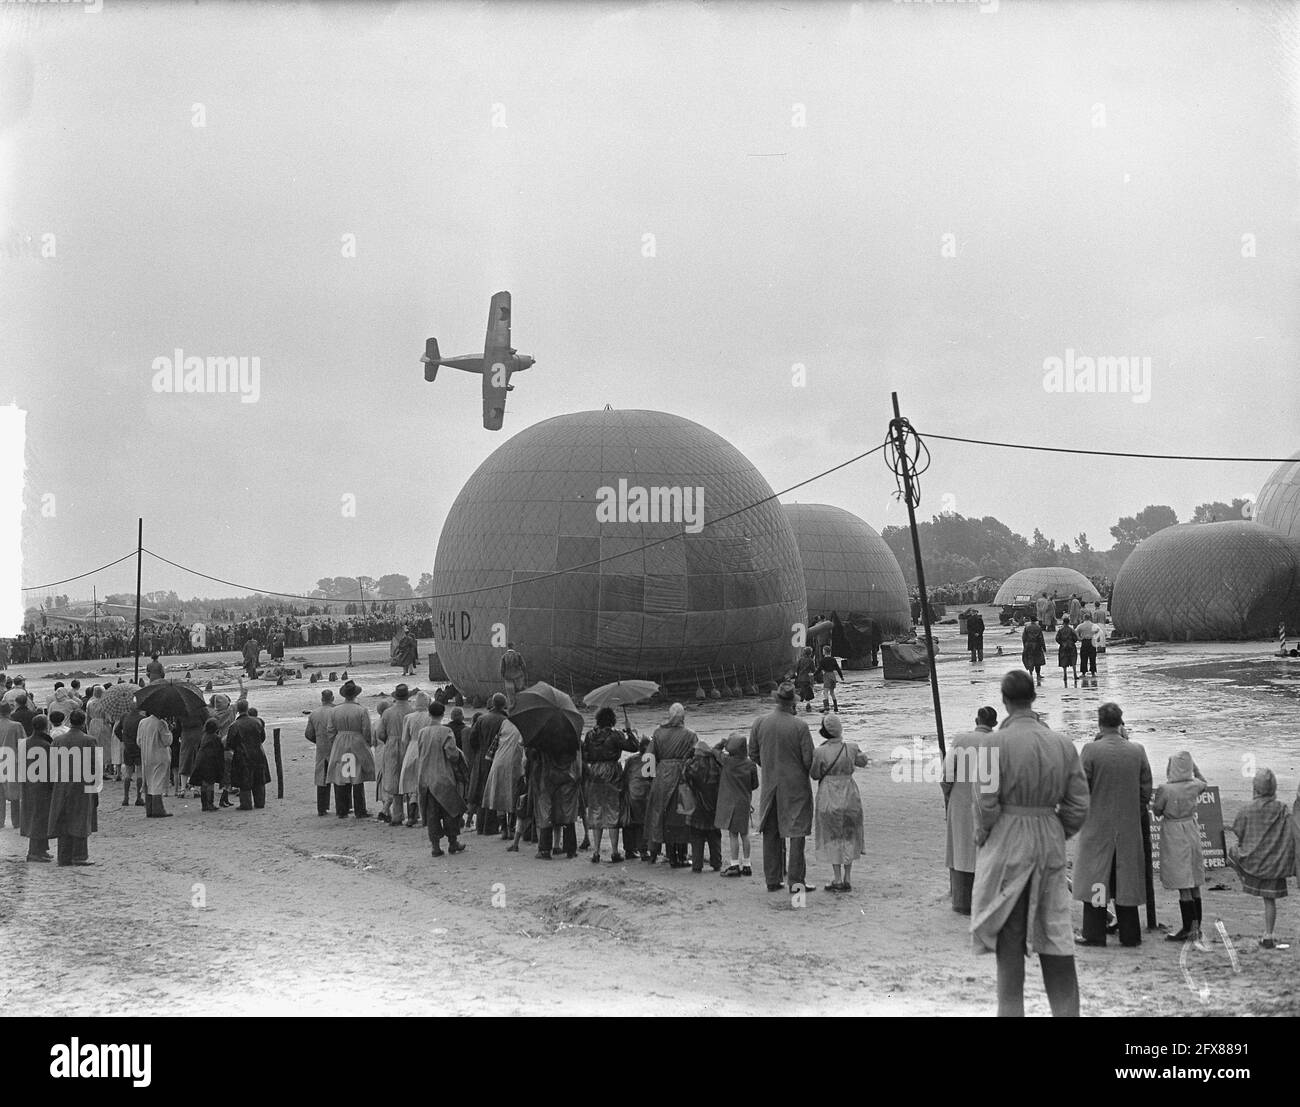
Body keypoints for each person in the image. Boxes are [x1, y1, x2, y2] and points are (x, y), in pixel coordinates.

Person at [972, 670, 1089, 1017]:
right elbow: (1079, 804)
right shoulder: (1061, 744)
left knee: (1009, 937)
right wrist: (1057, 830)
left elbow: (985, 802)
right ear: (1033, 698)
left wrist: (987, 835)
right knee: (1056, 932)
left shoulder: (994, 744)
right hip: (1048, 834)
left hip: (1009, 836)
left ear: (1005, 701)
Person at [1072, 703, 1152, 948]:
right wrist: (1132, 811)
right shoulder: (1137, 751)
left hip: (1098, 826)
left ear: (1099, 723)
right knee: (1126, 881)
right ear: (1120, 723)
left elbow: (1080, 788)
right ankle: (1130, 934)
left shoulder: (1091, 750)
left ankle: (1094, 932)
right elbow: (1145, 789)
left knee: (1098, 877)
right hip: (1128, 826)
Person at [748, 682, 816, 894]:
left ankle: (772, 879)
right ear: (792, 703)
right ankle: (796, 882)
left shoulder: (759, 723)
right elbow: (809, 761)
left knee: (771, 832)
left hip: (770, 785)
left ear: (777, 700)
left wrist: (768, 766)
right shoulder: (800, 726)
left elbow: (753, 753)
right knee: (797, 834)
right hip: (796, 787)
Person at [1227, 768, 1296, 949]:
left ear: (1255, 789)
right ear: (1274, 788)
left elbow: (1238, 831)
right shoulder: (1282, 809)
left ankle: (1246, 880)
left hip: (1253, 863)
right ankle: (1269, 933)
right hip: (1275, 863)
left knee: (1231, 853)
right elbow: (1291, 833)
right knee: (1269, 900)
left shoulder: (1246, 809)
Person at [944, 706, 997, 915]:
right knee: (986, 851)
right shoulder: (1000, 741)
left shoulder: (961, 740)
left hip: (960, 801)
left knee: (960, 848)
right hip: (989, 803)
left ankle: (962, 901)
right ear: (994, 723)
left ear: (976, 720)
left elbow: (946, 775)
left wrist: (948, 795)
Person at [1153, 751, 1208, 943]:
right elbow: (1204, 781)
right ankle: (1197, 928)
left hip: (1174, 831)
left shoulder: (1165, 789)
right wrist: (1195, 769)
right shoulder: (1195, 786)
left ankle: (1188, 928)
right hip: (1191, 828)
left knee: (1182, 881)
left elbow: (1157, 810)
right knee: (1193, 880)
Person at [810, 713, 868, 892]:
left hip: (828, 793)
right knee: (849, 835)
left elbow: (814, 774)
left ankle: (836, 879)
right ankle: (848, 877)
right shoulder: (851, 748)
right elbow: (863, 762)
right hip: (849, 793)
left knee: (832, 836)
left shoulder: (820, 751)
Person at [582, 707, 638, 863]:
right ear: (612, 720)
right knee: (613, 810)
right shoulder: (615, 735)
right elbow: (634, 747)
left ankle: (596, 852)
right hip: (612, 772)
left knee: (596, 810)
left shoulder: (590, 735)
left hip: (594, 772)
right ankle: (614, 852)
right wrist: (629, 731)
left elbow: (585, 754)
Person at [645, 703, 697, 868]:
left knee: (661, 814)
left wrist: (650, 778)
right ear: (682, 717)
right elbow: (697, 757)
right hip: (681, 776)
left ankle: (666, 853)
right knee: (681, 815)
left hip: (661, 777)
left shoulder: (658, 733)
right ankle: (680, 856)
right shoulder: (690, 735)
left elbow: (648, 757)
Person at [47, 709, 99, 866]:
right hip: (83, 784)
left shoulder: (58, 740)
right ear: (83, 722)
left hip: (62, 784)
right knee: (81, 818)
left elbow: (51, 766)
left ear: (70, 721)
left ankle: (63, 856)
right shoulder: (90, 740)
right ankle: (80, 856)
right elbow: (95, 766)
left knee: (63, 818)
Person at [416, 702, 467, 857]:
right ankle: (453, 843)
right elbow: (452, 755)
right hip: (444, 777)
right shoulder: (446, 731)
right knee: (450, 810)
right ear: (443, 714)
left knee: (432, 814)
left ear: (429, 714)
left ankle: (435, 847)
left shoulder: (422, 732)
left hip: (425, 777)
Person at [528, 719, 582, 860]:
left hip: (547, 779)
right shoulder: (572, 738)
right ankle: (570, 849)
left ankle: (545, 849)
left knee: (546, 812)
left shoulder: (542, 738)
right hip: (568, 778)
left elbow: (532, 755)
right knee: (568, 814)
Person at [325, 680, 375, 819]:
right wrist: (367, 743)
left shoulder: (335, 710)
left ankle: (342, 809)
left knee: (343, 775)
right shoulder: (361, 710)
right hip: (356, 741)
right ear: (355, 694)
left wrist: (336, 741)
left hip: (341, 742)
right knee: (357, 776)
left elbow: (330, 730)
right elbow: (366, 730)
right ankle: (360, 809)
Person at [465, 694, 509, 834]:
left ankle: (480, 826)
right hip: (497, 757)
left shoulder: (481, 719)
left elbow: (472, 739)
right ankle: (491, 827)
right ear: (504, 705)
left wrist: (479, 751)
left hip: (481, 757)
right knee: (494, 791)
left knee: (480, 790)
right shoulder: (505, 721)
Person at [716, 733, 758, 877]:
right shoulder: (751, 764)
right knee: (744, 834)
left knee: (733, 834)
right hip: (744, 801)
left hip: (730, 802)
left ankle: (734, 864)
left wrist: (723, 742)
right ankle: (747, 864)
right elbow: (755, 784)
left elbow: (714, 751)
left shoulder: (726, 761)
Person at [377, 684, 416, 824]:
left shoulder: (387, 713)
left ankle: (397, 814)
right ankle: (413, 814)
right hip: (409, 745)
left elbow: (380, 733)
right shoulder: (412, 711)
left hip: (392, 745)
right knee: (410, 778)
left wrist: (389, 739)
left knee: (394, 779)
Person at [685, 735, 723, 873]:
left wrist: (689, 755)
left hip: (697, 806)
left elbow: (685, 772)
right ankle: (716, 863)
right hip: (713, 806)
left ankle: (697, 864)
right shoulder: (717, 767)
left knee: (696, 836)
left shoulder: (694, 767)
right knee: (715, 835)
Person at [19, 714, 54, 861]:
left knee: (35, 816)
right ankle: (34, 852)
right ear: (46, 727)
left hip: (28, 784)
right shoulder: (46, 745)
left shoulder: (25, 743)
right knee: (39, 817)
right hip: (42, 786)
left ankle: (41, 849)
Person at [226, 700, 271, 811]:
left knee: (244, 780)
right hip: (258, 753)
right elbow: (262, 738)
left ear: (238, 710)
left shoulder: (235, 725)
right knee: (259, 779)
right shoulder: (258, 722)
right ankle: (260, 802)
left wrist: (236, 748)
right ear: (247, 708)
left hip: (242, 755)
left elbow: (229, 743)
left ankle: (246, 804)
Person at [398, 692, 434, 826]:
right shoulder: (431, 717)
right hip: (426, 749)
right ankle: (426, 817)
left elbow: (404, 739)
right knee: (426, 784)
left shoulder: (408, 717)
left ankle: (412, 816)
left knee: (411, 784)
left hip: (412, 749)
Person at [304, 689, 336, 817]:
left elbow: (308, 734)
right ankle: (343, 806)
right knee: (340, 778)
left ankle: (322, 808)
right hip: (336, 747)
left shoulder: (314, 714)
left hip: (322, 748)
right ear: (332, 698)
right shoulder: (336, 711)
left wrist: (318, 741)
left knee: (322, 779)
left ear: (321, 699)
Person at [137, 707, 174, 818]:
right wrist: (170, 731)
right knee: (158, 782)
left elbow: (138, 741)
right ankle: (158, 809)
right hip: (159, 755)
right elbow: (167, 741)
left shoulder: (142, 722)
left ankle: (149, 809)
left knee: (148, 782)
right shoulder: (161, 723)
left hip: (146, 755)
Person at [623, 736, 654, 862]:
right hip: (643, 794)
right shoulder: (649, 760)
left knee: (630, 822)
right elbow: (650, 779)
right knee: (642, 822)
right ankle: (643, 850)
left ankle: (629, 850)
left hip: (631, 792)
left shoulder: (631, 759)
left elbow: (625, 776)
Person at [189, 719, 225, 812]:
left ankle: (204, 804)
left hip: (200, 760)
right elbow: (220, 752)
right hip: (210, 762)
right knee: (210, 783)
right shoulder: (215, 738)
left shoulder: (204, 736)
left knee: (204, 784)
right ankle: (210, 804)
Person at [115, 707, 145, 807]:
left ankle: (126, 798)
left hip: (127, 747)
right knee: (139, 772)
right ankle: (138, 797)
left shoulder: (124, 716)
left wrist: (123, 739)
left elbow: (116, 730)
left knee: (128, 773)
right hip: (138, 747)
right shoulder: (142, 719)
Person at [0, 701, 23, 829]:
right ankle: (16, 821)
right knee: (14, 794)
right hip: (11, 762)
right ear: (10, 711)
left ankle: (0, 821)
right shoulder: (16, 726)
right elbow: (22, 745)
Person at [816, 644, 844, 714]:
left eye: (823, 650)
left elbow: (819, 669)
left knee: (825, 692)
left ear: (825, 652)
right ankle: (835, 707)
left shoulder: (823, 660)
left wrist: (813, 675)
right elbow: (837, 668)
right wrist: (841, 676)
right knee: (832, 692)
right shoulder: (833, 659)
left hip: (827, 676)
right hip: (833, 676)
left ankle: (826, 707)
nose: (822, 652)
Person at [1021, 616, 1047, 686]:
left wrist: (1025, 646)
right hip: (1037, 646)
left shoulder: (1027, 627)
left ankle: (1030, 674)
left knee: (1030, 659)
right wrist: (1044, 647)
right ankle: (1038, 675)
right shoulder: (1038, 627)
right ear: (1036, 620)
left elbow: (1024, 637)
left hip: (1028, 645)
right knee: (1037, 661)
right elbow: (1041, 638)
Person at [1055, 617, 1079, 687]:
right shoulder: (1072, 630)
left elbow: (1057, 638)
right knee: (1073, 659)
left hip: (1063, 647)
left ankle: (1065, 675)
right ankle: (1075, 674)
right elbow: (1076, 638)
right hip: (1071, 646)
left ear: (1063, 622)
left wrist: (1061, 643)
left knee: (1064, 660)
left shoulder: (1060, 630)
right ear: (1069, 622)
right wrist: (1072, 642)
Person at [1076, 611, 1098, 681]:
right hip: (1092, 642)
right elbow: (1098, 631)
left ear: (1084, 618)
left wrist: (1079, 638)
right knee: (1093, 657)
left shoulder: (1081, 625)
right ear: (1090, 618)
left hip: (1084, 641)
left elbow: (1075, 631)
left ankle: (1083, 672)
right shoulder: (1093, 625)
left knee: (1083, 657)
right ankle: (1093, 672)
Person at [794, 646, 816, 713]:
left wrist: (797, 676)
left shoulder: (800, 660)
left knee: (804, 692)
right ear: (810, 653)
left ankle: (795, 704)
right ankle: (806, 704)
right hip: (807, 679)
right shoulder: (811, 660)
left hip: (800, 678)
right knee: (807, 692)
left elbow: (796, 669)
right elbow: (813, 670)